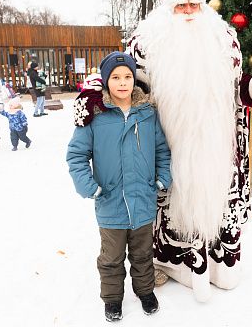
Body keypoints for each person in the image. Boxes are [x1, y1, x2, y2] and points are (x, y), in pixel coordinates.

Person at [125, 0, 252, 302]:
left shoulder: (223, 40)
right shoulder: (145, 44)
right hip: (169, 149)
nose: (187, 13)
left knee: (225, 265)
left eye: (193, 5)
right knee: (173, 208)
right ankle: (169, 264)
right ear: (167, 7)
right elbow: (127, 91)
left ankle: (216, 264)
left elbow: (236, 92)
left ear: (203, 5)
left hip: (217, 150)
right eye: (180, 6)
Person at [66, 52, 172, 322]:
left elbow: (162, 150)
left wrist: (161, 180)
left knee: (142, 253)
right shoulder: (94, 115)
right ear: (106, 81)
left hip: (143, 198)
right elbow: (77, 155)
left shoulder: (147, 113)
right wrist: (90, 187)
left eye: (127, 76)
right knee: (111, 258)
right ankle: (112, 299)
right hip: (110, 200)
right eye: (116, 77)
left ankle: (145, 291)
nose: (123, 82)